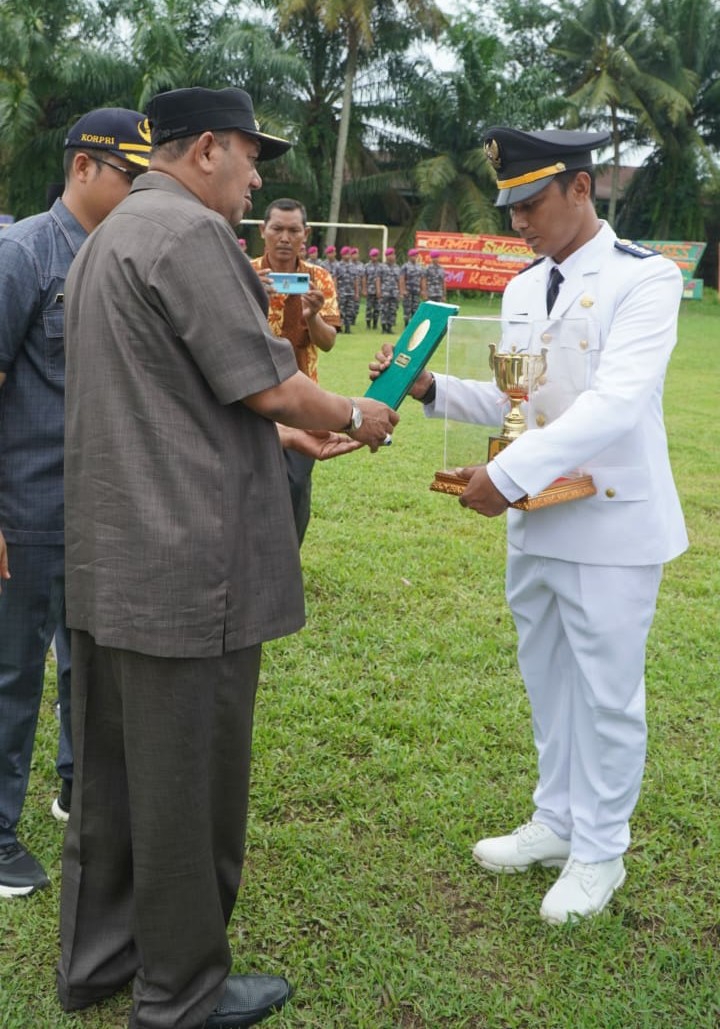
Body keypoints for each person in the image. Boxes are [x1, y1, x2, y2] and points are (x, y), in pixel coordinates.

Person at [57, 85, 398, 1029]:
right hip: (185, 571)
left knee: (115, 784)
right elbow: (277, 386)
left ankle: (99, 959)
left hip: (111, 560)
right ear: (205, 148)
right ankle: (181, 994)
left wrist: (282, 435)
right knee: (188, 786)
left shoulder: (111, 236)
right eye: (252, 158)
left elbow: (172, 395)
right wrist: (358, 415)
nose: (257, 182)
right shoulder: (190, 235)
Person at [372, 126, 687, 925]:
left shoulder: (643, 281)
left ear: (582, 189)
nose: (517, 219)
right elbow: (521, 401)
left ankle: (601, 850)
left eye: (532, 201)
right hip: (538, 518)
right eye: (508, 203)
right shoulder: (521, 288)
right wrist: (433, 387)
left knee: (607, 695)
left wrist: (505, 475)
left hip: (611, 525)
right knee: (547, 678)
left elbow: (612, 405)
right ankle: (556, 820)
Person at [0, 107, 150, 899]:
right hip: (24, 510)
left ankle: (75, 790)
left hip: (96, 513)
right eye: (128, 176)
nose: (136, 191)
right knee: (11, 675)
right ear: (84, 168)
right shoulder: (24, 252)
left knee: (86, 668)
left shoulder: (118, 257)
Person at [251, 198, 341, 545]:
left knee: (296, 484)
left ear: (306, 234)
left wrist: (312, 317)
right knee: (250, 482)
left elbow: (329, 342)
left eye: (293, 230)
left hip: (302, 401)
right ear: (263, 231)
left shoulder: (319, 278)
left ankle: (287, 557)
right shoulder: (245, 272)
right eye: (277, 229)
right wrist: (252, 296)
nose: (285, 237)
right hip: (252, 397)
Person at [335, 245, 359, 333]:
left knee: (349, 311)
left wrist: (356, 292)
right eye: (345, 254)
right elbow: (335, 279)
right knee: (340, 310)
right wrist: (335, 291)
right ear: (342, 255)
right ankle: (339, 327)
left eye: (348, 254)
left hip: (351, 292)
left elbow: (356, 279)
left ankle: (348, 328)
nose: (347, 256)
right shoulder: (338, 266)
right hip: (341, 292)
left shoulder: (353, 266)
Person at [377, 246, 401, 334]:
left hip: (394, 292)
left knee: (393, 310)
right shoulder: (381, 267)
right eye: (390, 255)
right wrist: (378, 290)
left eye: (393, 254)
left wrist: (400, 292)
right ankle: (383, 327)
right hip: (384, 292)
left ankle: (390, 327)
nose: (392, 256)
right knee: (384, 310)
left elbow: (399, 280)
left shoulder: (397, 267)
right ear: (386, 256)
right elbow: (378, 279)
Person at [399, 247, 425, 325]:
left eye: (416, 256)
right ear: (409, 257)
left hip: (416, 291)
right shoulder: (405, 266)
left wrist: (423, 290)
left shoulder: (420, 267)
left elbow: (422, 279)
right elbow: (401, 279)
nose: (414, 257)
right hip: (408, 291)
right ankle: (406, 324)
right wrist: (402, 290)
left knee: (416, 309)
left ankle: (413, 325)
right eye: (413, 256)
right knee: (407, 309)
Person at [363, 247, 382, 329]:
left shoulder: (381, 266)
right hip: (370, 290)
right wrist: (364, 289)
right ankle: (368, 324)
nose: (375, 257)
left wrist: (380, 290)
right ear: (370, 256)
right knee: (369, 308)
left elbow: (382, 279)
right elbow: (364, 278)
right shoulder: (366, 266)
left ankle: (375, 324)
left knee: (377, 308)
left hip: (378, 291)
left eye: (376, 256)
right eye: (373, 256)